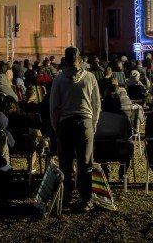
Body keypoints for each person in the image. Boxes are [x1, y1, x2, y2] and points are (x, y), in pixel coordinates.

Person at [49, 47, 102, 212]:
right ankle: (86, 199)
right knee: (85, 163)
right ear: (79, 59)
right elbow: (96, 104)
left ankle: (65, 199)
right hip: (85, 122)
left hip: (65, 124)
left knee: (65, 163)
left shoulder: (59, 79)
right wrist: (93, 124)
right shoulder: (90, 77)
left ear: (65, 60)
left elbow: (54, 106)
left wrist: (56, 126)